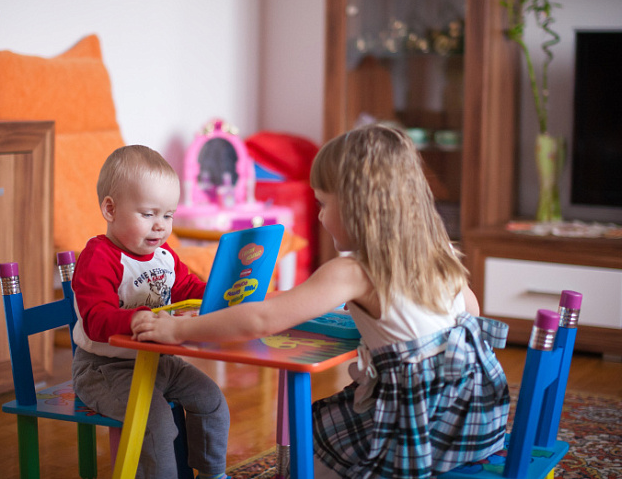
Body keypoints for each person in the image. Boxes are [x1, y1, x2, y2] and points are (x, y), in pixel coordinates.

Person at [133, 125, 510, 478]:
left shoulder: (353, 270)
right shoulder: (438, 250)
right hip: (475, 420)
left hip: (418, 431)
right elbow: (470, 313)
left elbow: (262, 320)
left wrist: (179, 328)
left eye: (324, 203)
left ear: (357, 207)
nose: (320, 215)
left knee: (308, 436)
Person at [71, 144, 230, 479]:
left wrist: (220, 297)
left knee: (211, 399)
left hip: (157, 360)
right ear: (110, 210)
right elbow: (95, 318)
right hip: (105, 368)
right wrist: (134, 318)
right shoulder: (99, 256)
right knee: (156, 424)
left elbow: (188, 288)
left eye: (168, 215)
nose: (160, 226)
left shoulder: (164, 255)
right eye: (148, 214)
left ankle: (213, 473)